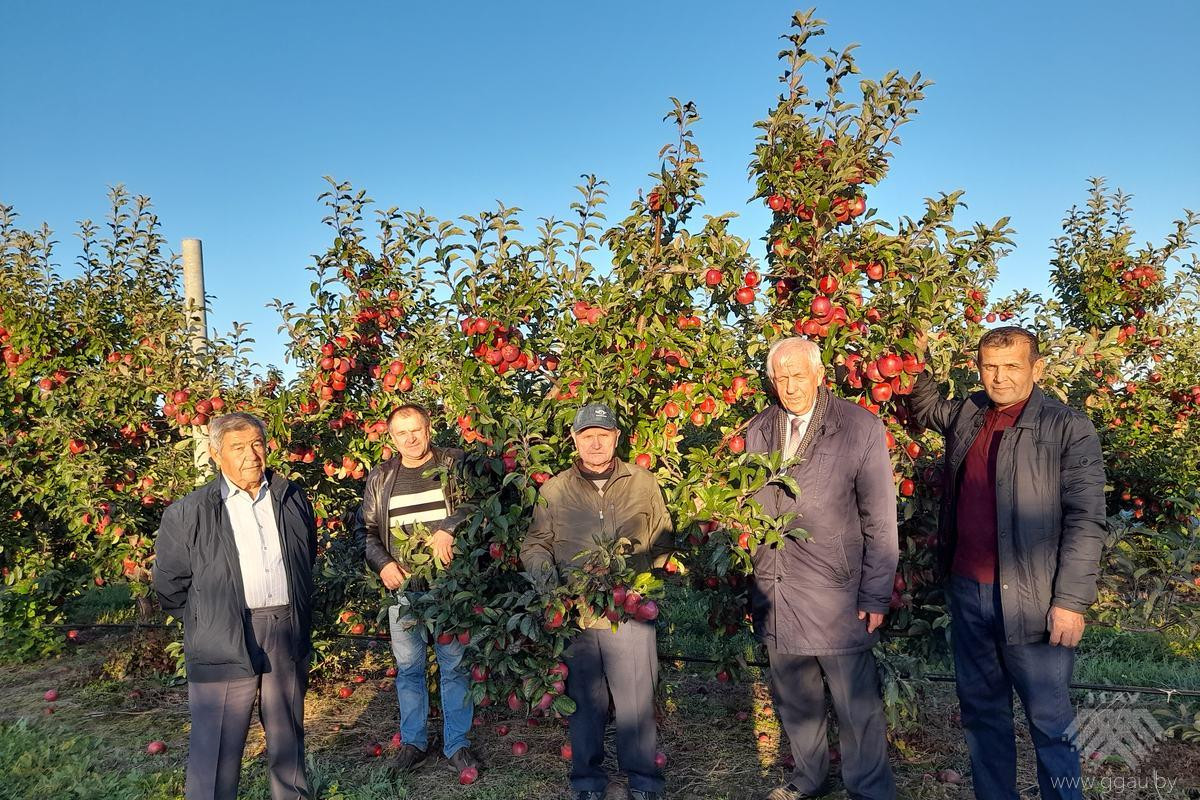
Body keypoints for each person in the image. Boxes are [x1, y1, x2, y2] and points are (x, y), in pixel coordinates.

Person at [906, 326, 1105, 800]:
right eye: (989, 367)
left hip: (1034, 599)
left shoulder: (1066, 427)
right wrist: (917, 358)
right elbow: (928, 408)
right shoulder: (970, 412)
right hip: (969, 592)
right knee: (981, 714)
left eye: (1011, 366)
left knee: (1050, 720)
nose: (999, 378)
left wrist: (1072, 600)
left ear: (1036, 368)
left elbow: (1087, 518)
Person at [744, 337, 899, 800]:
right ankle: (807, 778)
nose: (790, 386)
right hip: (776, 589)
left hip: (836, 594)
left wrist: (875, 594)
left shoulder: (857, 427)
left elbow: (880, 519)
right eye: (780, 377)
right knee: (796, 700)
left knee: (856, 705)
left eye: (798, 375)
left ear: (817, 374)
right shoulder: (758, 429)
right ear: (771, 380)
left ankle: (869, 789)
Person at [153, 412, 317, 800]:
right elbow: (169, 587)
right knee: (217, 746)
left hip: (284, 628)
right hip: (223, 634)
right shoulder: (188, 512)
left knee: (287, 734)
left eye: (257, 444)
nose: (251, 455)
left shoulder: (290, 497)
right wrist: (208, 619)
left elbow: (304, 556)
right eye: (238, 447)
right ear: (215, 454)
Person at [520, 402, 674, 800]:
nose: (595, 444)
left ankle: (642, 781)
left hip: (629, 613)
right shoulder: (554, 490)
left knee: (636, 701)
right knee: (585, 703)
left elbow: (663, 536)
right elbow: (536, 543)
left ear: (616, 439)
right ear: (575, 439)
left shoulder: (643, 483)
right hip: (577, 615)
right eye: (587, 436)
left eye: (603, 436)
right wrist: (550, 587)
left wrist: (642, 582)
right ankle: (587, 782)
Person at [352, 403, 476, 775]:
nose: (410, 439)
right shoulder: (380, 477)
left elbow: (478, 500)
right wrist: (383, 563)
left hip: (449, 588)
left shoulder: (454, 463)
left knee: (454, 667)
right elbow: (367, 531)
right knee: (409, 668)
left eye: (416, 430)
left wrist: (450, 525)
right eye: (401, 433)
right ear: (391, 438)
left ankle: (457, 744)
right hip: (404, 589)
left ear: (429, 429)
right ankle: (414, 742)